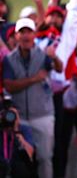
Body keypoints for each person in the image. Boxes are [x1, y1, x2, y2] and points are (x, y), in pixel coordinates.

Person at [2, 18, 63, 178]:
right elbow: (8, 85)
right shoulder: (9, 59)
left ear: (34, 34)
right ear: (16, 36)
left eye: (29, 32)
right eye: (22, 32)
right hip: (19, 118)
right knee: (20, 159)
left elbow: (59, 68)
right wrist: (34, 79)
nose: (25, 36)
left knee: (44, 158)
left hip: (43, 115)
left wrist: (54, 57)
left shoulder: (43, 56)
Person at [0, 101, 36, 178]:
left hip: (17, 168)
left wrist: (16, 131)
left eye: (13, 114)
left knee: (23, 168)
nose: (9, 117)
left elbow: (29, 155)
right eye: (5, 114)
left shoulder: (24, 129)